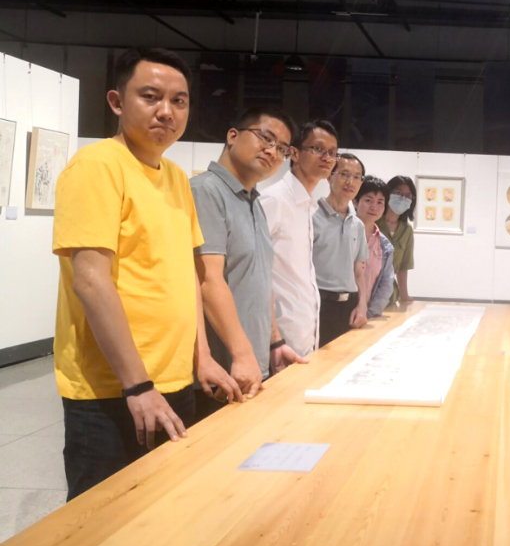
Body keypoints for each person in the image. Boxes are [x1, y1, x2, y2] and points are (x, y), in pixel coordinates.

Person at [52, 47, 225, 499]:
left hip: (173, 381)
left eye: (179, 101)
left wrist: (202, 357)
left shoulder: (176, 177)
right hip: (114, 390)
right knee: (100, 524)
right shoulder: (97, 166)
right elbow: (91, 280)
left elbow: (186, 275)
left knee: (163, 512)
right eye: (150, 97)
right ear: (116, 101)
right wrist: (138, 385)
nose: (166, 111)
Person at [191, 107, 306, 420]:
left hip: (250, 366)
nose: (272, 152)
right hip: (221, 372)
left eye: (282, 148)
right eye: (265, 138)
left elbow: (260, 278)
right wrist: (241, 354)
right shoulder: (206, 191)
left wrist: (274, 341)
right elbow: (207, 281)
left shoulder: (254, 201)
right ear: (233, 136)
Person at [260, 120, 338, 357]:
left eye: (332, 152)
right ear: (294, 153)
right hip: (278, 342)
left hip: (302, 337)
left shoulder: (307, 205)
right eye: (318, 149)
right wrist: (274, 339)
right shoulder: (274, 200)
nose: (326, 157)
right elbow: (256, 274)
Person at [313, 154, 370, 346]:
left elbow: (359, 272)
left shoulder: (358, 225)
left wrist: (362, 305)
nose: (350, 182)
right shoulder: (311, 217)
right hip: (317, 304)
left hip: (349, 307)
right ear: (330, 176)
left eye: (356, 177)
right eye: (344, 174)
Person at [354, 176, 395, 322]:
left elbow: (386, 283)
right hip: (339, 311)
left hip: (367, 316)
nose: (374, 207)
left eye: (380, 202)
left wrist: (369, 313)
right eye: (368, 200)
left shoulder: (385, 245)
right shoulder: (344, 235)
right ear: (355, 201)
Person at [377, 175, 417, 306]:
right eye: (398, 193)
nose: (403, 198)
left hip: (390, 294)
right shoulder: (373, 223)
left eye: (408, 195)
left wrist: (404, 295)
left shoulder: (406, 231)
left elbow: (403, 266)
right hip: (366, 288)